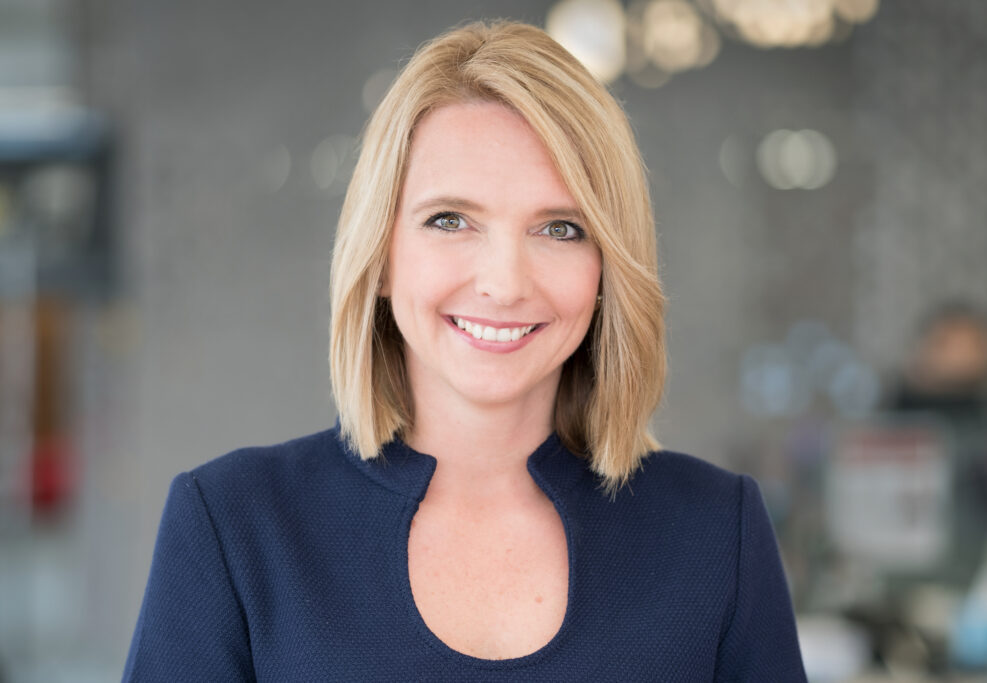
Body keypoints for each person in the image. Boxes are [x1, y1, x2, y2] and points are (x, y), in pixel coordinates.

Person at [122, 21, 806, 681]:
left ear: (607, 270)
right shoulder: (232, 526)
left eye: (560, 228)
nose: (504, 284)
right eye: (450, 220)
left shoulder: (718, 532)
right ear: (381, 255)